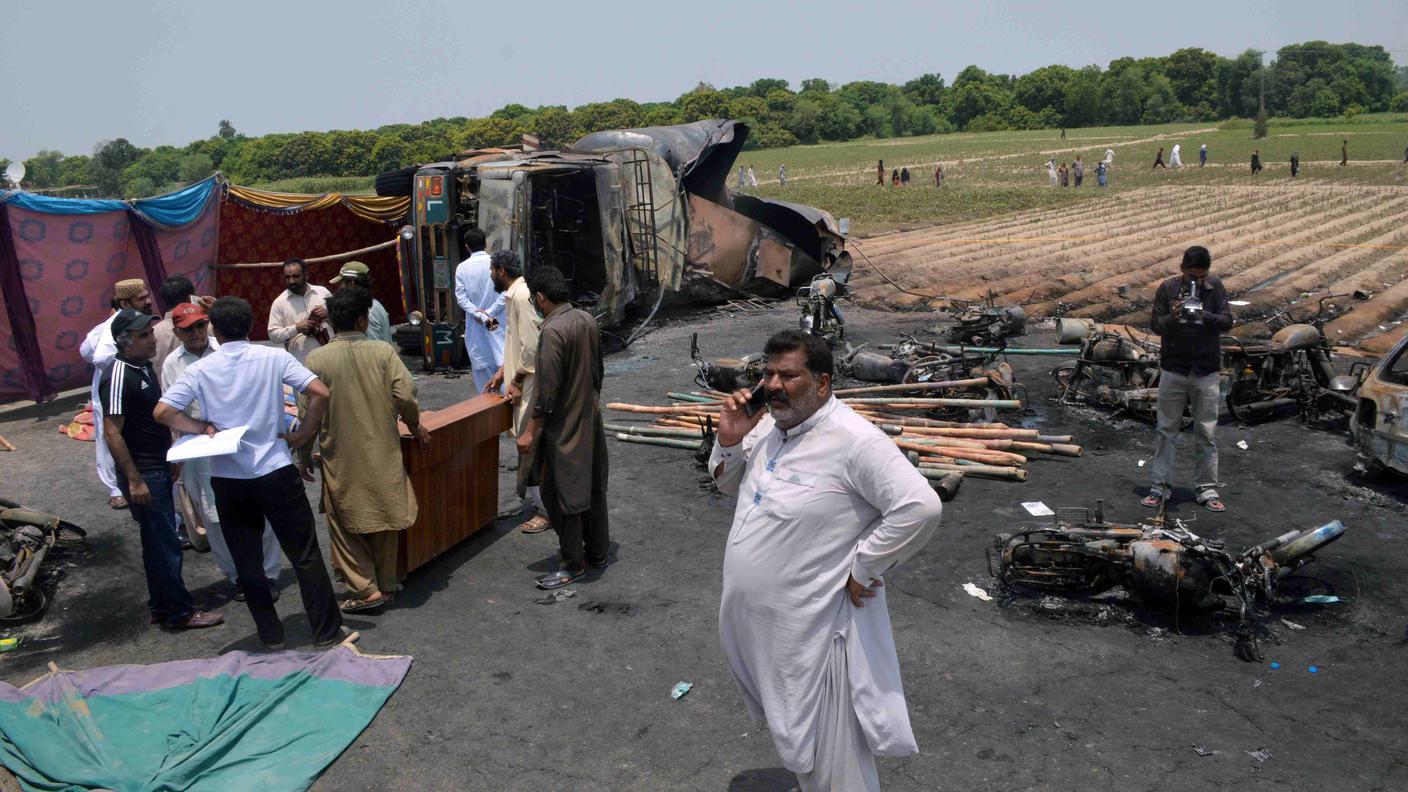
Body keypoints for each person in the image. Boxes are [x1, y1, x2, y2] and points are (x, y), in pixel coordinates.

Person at [711, 330, 942, 792]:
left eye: (788, 375)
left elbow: (920, 506)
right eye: (768, 374)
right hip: (771, 633)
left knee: (836, 757)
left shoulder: (855, 440)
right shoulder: (769, 427)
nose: (774, 385)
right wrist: (730, 439)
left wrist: (864, 567)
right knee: (802, 740)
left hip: (818, 632)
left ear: (822, 383)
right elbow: (727, 484)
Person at [156, 296, 344, 650]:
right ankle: (326, 631)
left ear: (214, 329)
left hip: (229, 476)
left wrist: (198, 427)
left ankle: (271, 636)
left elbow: (163, 412)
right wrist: (303, 435)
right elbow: (319, 392)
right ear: (250, 324)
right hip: (274, 468)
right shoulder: (272, 357)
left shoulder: (200, 370)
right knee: (304, 553)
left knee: (247, 560)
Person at [306, 287, 428, 613]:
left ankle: (364, 587)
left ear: (332, 321)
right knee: (385, 516)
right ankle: (386, 586)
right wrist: (415, 426)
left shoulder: (316, 359)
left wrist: (303, 454)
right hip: (382, 449)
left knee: (345, 523)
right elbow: (405, 396)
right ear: (363, 319)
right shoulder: (384, 353)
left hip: (339, 455)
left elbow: (308, 415)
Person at [100, 308, 224, 631]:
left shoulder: (142, 368)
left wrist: (190, 436)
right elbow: (112, 432)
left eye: (150, 332)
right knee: (166, 543)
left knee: (155, 543)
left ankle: (161, 606)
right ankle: (180, 612)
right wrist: (134, 479)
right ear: (125, 343)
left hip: (156, 468)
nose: (152, 339)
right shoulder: (118, 375)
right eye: (143, 336)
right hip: (144, 474)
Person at [161, 303, 283, 600]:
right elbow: (170, 411)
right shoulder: (171, 364)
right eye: (188, 329)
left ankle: (266, 574)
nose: (196, 333)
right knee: (214, 516)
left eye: (200, 326)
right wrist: (193, 434)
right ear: (177, 332)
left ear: (210, 326)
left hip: (243, 439)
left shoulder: (228, 350)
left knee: (261, 510)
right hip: (201, 449)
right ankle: (238, 577)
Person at [518, 266, 610, 590]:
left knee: (563, 494)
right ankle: (598, 552)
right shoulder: (586, 320)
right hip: (589, 419)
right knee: (592, 487)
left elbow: (546, 393)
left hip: (564, 427)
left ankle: (573, 563)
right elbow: (599, 372)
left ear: (540, 297)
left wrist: (530, 430)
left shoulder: (553, 331)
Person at [1144, 246, 1233, 513]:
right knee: (1166, 429)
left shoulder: (1215, 287)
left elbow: (1227, 321)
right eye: (1193, 277)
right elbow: (1156, 325)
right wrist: (1175, 315)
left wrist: (1203, 315)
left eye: (1202, 277)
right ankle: (1160, 486)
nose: (1197, 283)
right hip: (1175, 367)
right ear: (1182, 269)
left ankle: (1207, 488)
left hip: (1205, 369)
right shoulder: (1168, 288)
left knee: (1205, 432)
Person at [485, 250, 549, 534]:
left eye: (491, 271)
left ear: (500, 270)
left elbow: (532, 348)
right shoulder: (516, 295)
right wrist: (503, 371)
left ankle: (544, 511)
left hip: (530, 387)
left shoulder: (521, 297)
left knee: (529, 448)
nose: (490, 276)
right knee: (529, 449)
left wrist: (517, 379)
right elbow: (517, 342)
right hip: (523, 383)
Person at [81, 278, 153, 510]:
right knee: (110, 436)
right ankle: (115, 488)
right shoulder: (113, 326)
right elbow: (99, 356)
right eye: (141, 298)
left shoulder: (141, 322)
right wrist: (125, 366)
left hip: (132, 389)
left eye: (146, 295)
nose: (148, 301)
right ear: (125, 303)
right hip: (114, 388)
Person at [452, 226, 505, 394]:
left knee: (483, 375)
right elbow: (505, 293)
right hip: (496, 322)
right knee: (502, 364)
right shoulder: (496, 264)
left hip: (477, 324)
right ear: (485, 243)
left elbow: (461, 298)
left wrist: (479, 314)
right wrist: (489, 312)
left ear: (466, 246)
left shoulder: (462, 268)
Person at [267, 259, 331, 366]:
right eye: (288, 277)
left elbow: (340, 320)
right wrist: (296, 328)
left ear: (306, 275)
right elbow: (273, 335)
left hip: (330, 357)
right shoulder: (279, 303)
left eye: (296, 276)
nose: (291, 281)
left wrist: (329, 314)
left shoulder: (322, 292)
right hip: (303, 364)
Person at [329, 261, 393, 344]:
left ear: (352, 284)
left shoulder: (367, 311)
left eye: (342, 283)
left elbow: (374, 348)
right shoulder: (373, 304)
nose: (340, 288)